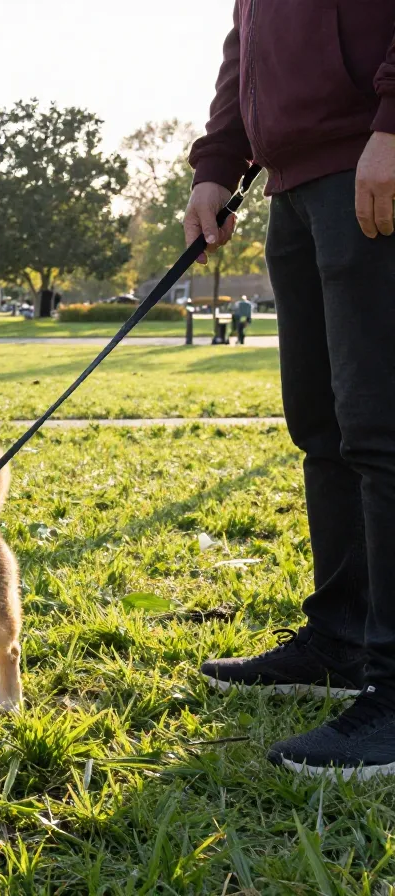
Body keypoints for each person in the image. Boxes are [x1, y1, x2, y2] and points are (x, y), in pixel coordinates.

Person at [187, 0, 395, 778]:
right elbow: (248, 46)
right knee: (323, 427)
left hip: (372, 161)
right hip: (294, 183)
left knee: (382, 427)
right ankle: (343, 639)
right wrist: (217, 166)